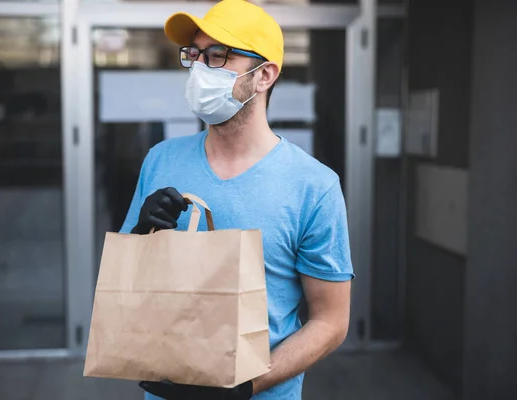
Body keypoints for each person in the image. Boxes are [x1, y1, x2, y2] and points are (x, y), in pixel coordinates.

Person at [121, 1, 355, 399]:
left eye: (217, 56)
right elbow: (125, 281)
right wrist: (143, 232)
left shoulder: (314, 185)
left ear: (264, 75)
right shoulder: (162, 159)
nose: (199, 69)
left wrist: (247, 386)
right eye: (194, 55)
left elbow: (331, 322)